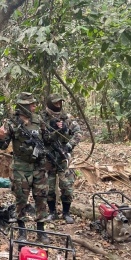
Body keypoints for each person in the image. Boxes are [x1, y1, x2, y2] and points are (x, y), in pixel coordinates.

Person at [0, 92, 50, 243]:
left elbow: (47, 139)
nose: (34, 106)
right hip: (21, 167)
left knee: (41, 198)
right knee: (21, 199)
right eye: (31, 104)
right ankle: (22, 231)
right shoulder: (11, 123)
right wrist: (0, 137)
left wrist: (59, 132)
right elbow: (3, 146)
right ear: (23, 106)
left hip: (39, 166)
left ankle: (41, 231)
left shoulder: (38, 120)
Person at [41, 94, 82, 224]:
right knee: (49, 187)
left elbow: (78, 133)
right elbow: (37, 134)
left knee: (67, 186)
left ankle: (66, 212)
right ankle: (52, 212)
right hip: (48, 157)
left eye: (60, 103)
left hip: (64, 157)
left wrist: (69, 145)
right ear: (49, 103)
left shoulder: (67, 118)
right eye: (55, 103)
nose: (58, 106)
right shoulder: (41, 118)